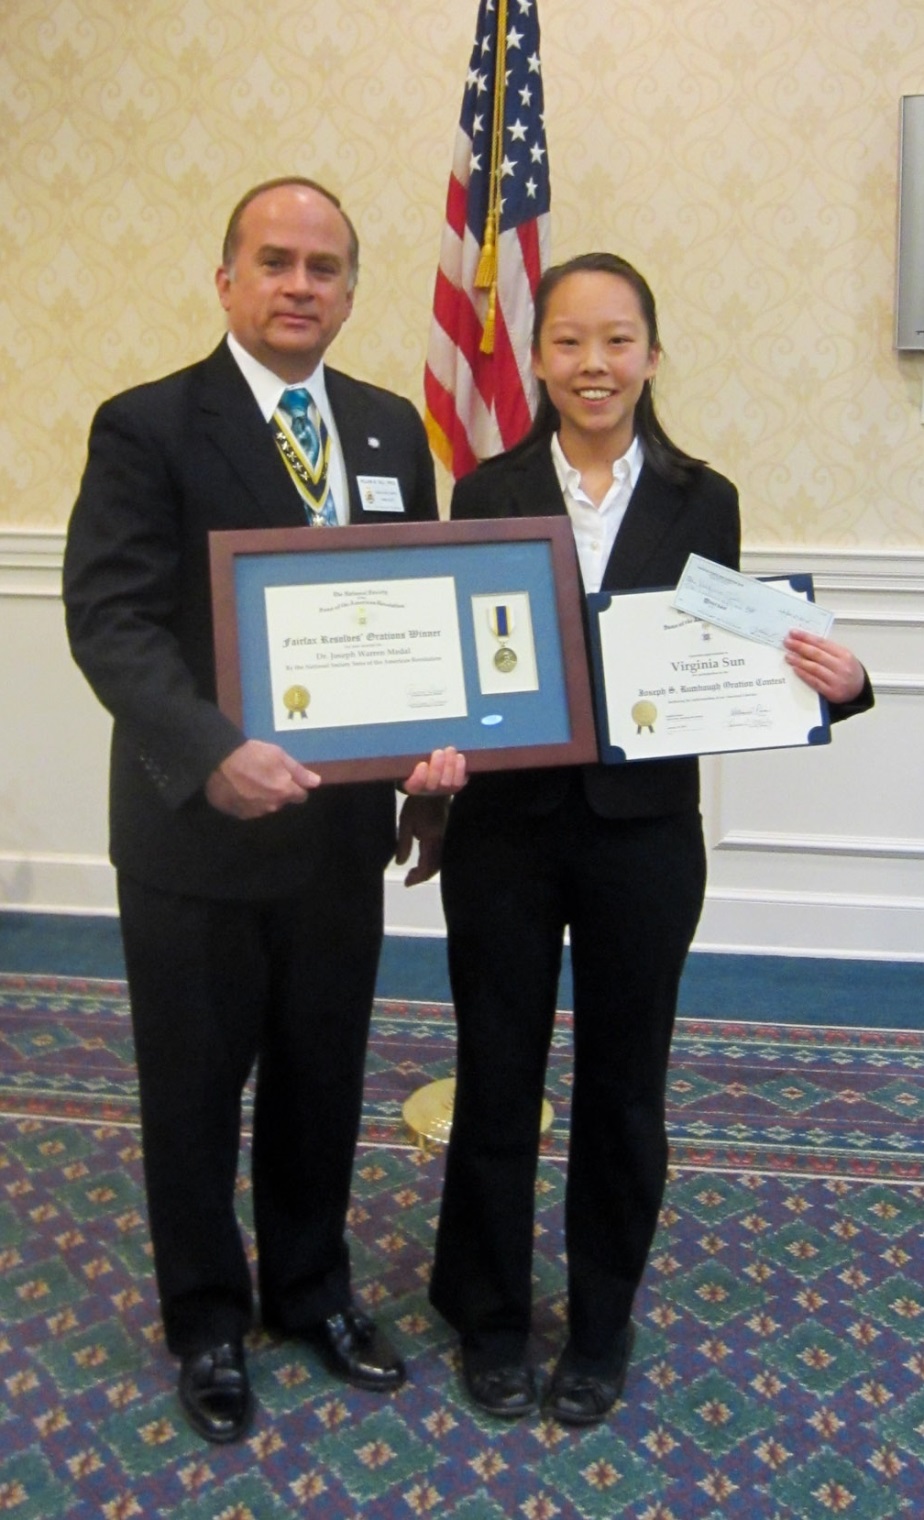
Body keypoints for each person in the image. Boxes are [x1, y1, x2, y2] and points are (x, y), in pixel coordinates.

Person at [428, 252, 874, 1426]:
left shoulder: (702, 495)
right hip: (506, 836)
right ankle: (489, 1312)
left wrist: (844, 683)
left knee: (625, 1088)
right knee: (498, 1076)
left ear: (653, 355)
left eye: (618, 341)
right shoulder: (483, 489)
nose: (594, 364)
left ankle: (602, 1317)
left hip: (643, 839)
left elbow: (728, 661)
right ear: (536, 356)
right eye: (570, 341)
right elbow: (460, 657)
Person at [63, 177, 465, 1445]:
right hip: (197, 834)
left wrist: (426, 754)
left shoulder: (394, 429)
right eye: (276, 261)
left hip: (338, 840)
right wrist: (212, 749)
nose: (301, 285)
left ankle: (308, 1287)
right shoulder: (147, 425)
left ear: (353, 290)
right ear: (225, 278)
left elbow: (417, 618)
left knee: (321, 1075)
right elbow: (111, 619)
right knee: (190, 1091)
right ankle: (205, 1319)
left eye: (327, 267)